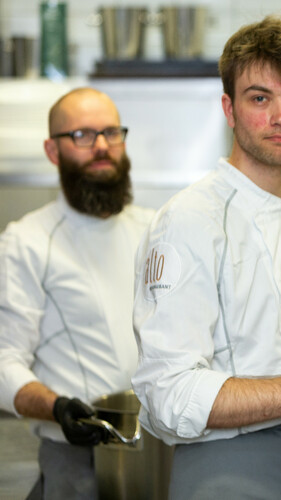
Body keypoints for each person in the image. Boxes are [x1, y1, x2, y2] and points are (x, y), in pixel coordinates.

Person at [131, 16, 281, 500]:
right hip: (229, 471)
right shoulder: (189, 221)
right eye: (260, 98)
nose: (280, 116)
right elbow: (169, 393)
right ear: (229, 108)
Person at [0, 87, 154, 499]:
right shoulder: (28, 241)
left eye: (111, 132)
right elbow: (3, 361)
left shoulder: (156, 231)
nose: (101, 146)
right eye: (83, 135)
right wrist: (57, 408)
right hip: (76, 458)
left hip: (162, 448)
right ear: (53, 151)